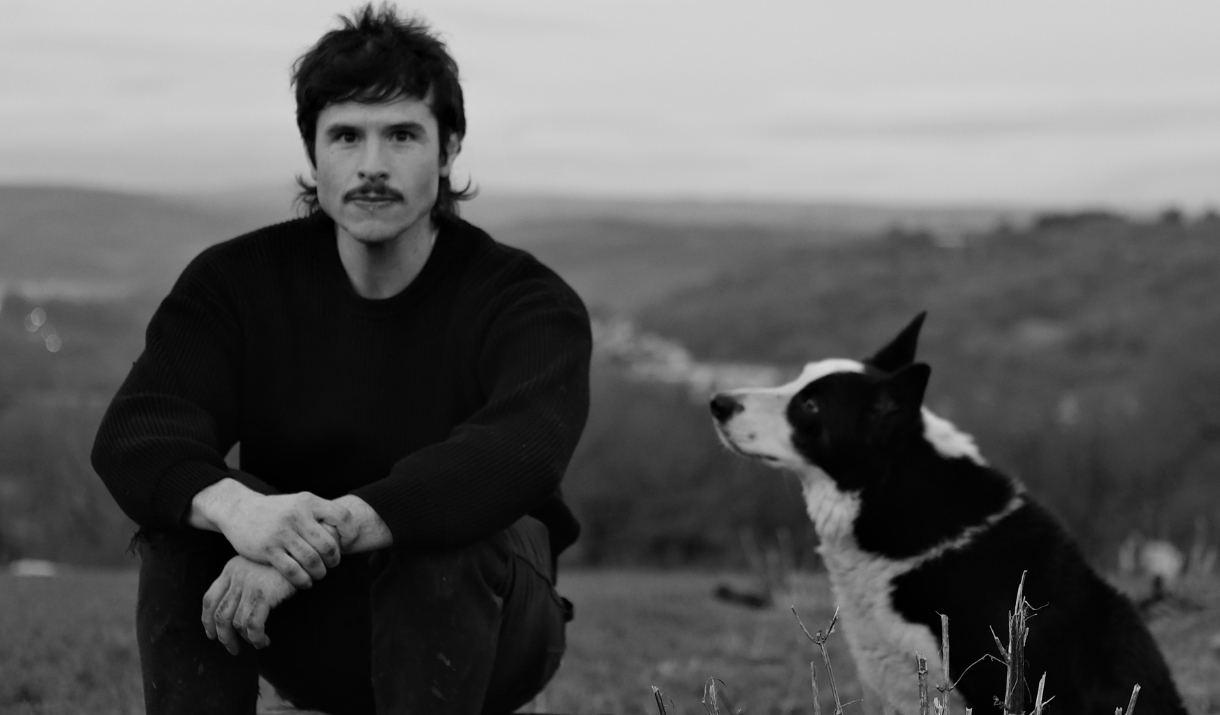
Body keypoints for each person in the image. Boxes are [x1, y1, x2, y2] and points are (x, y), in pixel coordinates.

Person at [90, 5, 591, 714]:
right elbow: (138, 431)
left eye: (404, 135)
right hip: (298, 627)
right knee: (186, 527)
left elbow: (516, 451)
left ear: (448, 151)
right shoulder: (235, 283)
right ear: (313, 151)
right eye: (347, 135)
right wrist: (241, 511)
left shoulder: (525, 300)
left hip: (491, 623)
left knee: (443, 534)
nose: (372, 165)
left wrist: (309, 537)